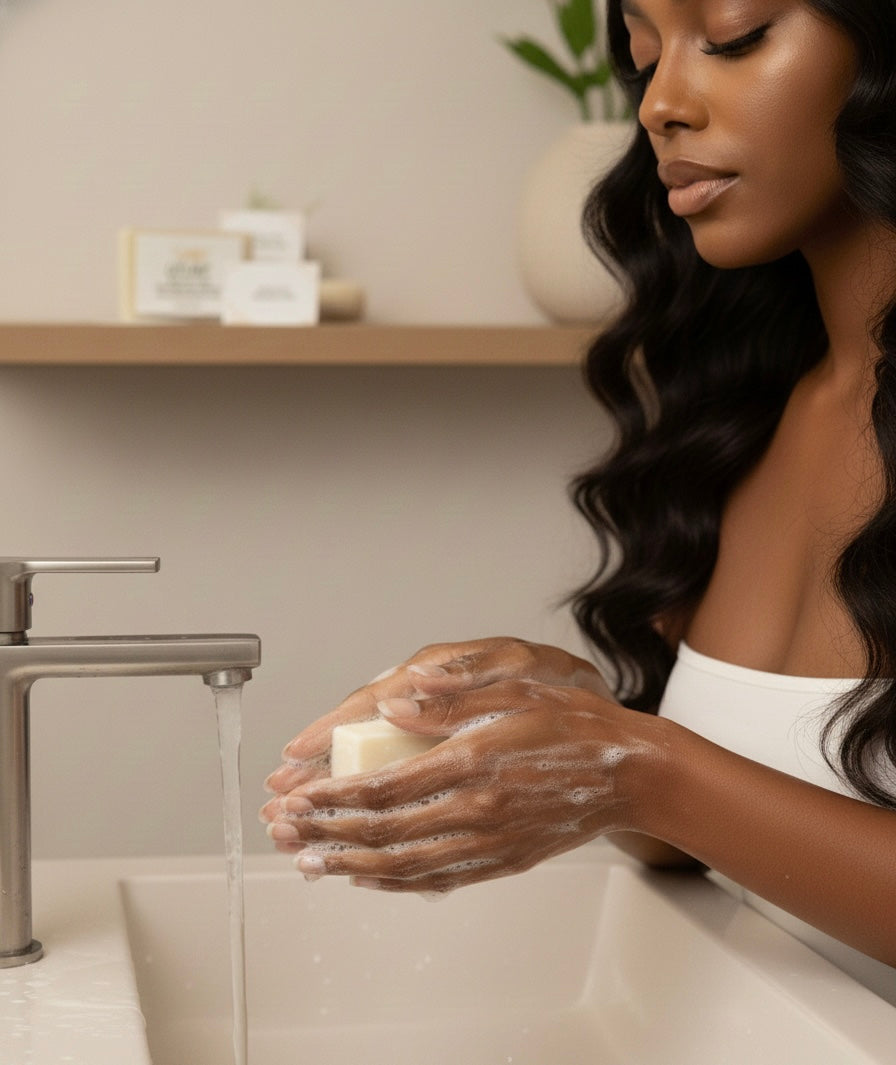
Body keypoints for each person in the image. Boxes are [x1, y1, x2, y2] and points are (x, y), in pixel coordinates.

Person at [261, 0, 896, 998]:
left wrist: (637, 764)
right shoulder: (752, 412)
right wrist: (551, 726)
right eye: (645, 55)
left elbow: (674, 785)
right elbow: (717, 848)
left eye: (730, 37)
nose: (661, 103)